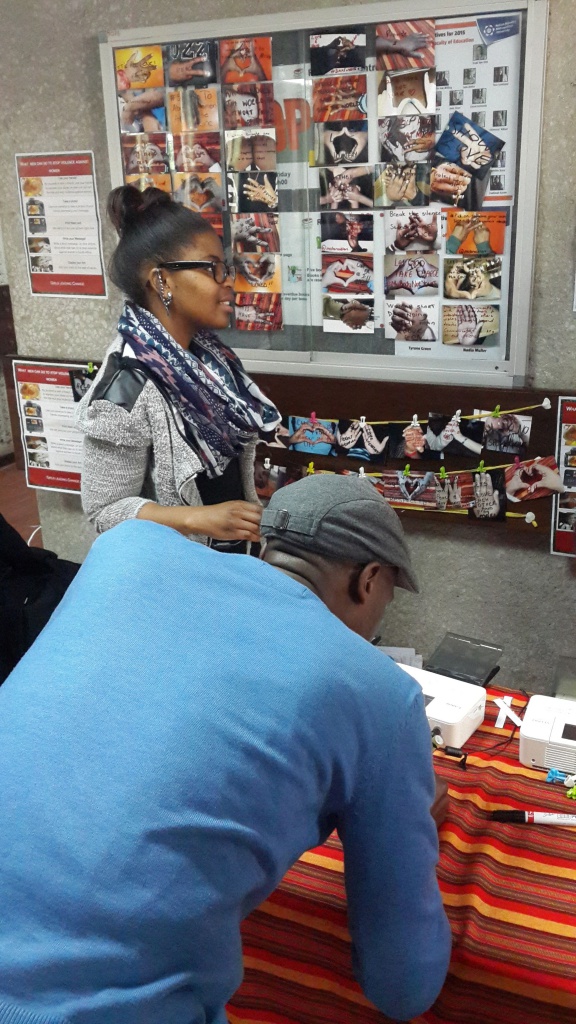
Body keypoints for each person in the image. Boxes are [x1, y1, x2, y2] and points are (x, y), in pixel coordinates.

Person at [0, 473, 451, 1023]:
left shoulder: (125, 549)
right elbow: (403, 987)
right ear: (369, 579)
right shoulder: (379, 692)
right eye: (386, 598)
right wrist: (405, 814)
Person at [76, 186, 281, 551]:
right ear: (162, 280)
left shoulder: (210, 362)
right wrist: (196, 519)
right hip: (175, 572)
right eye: (212, 268)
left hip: (230, 563)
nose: (228, 282)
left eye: (226, 268)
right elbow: (104, 512)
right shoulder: (126, 383)